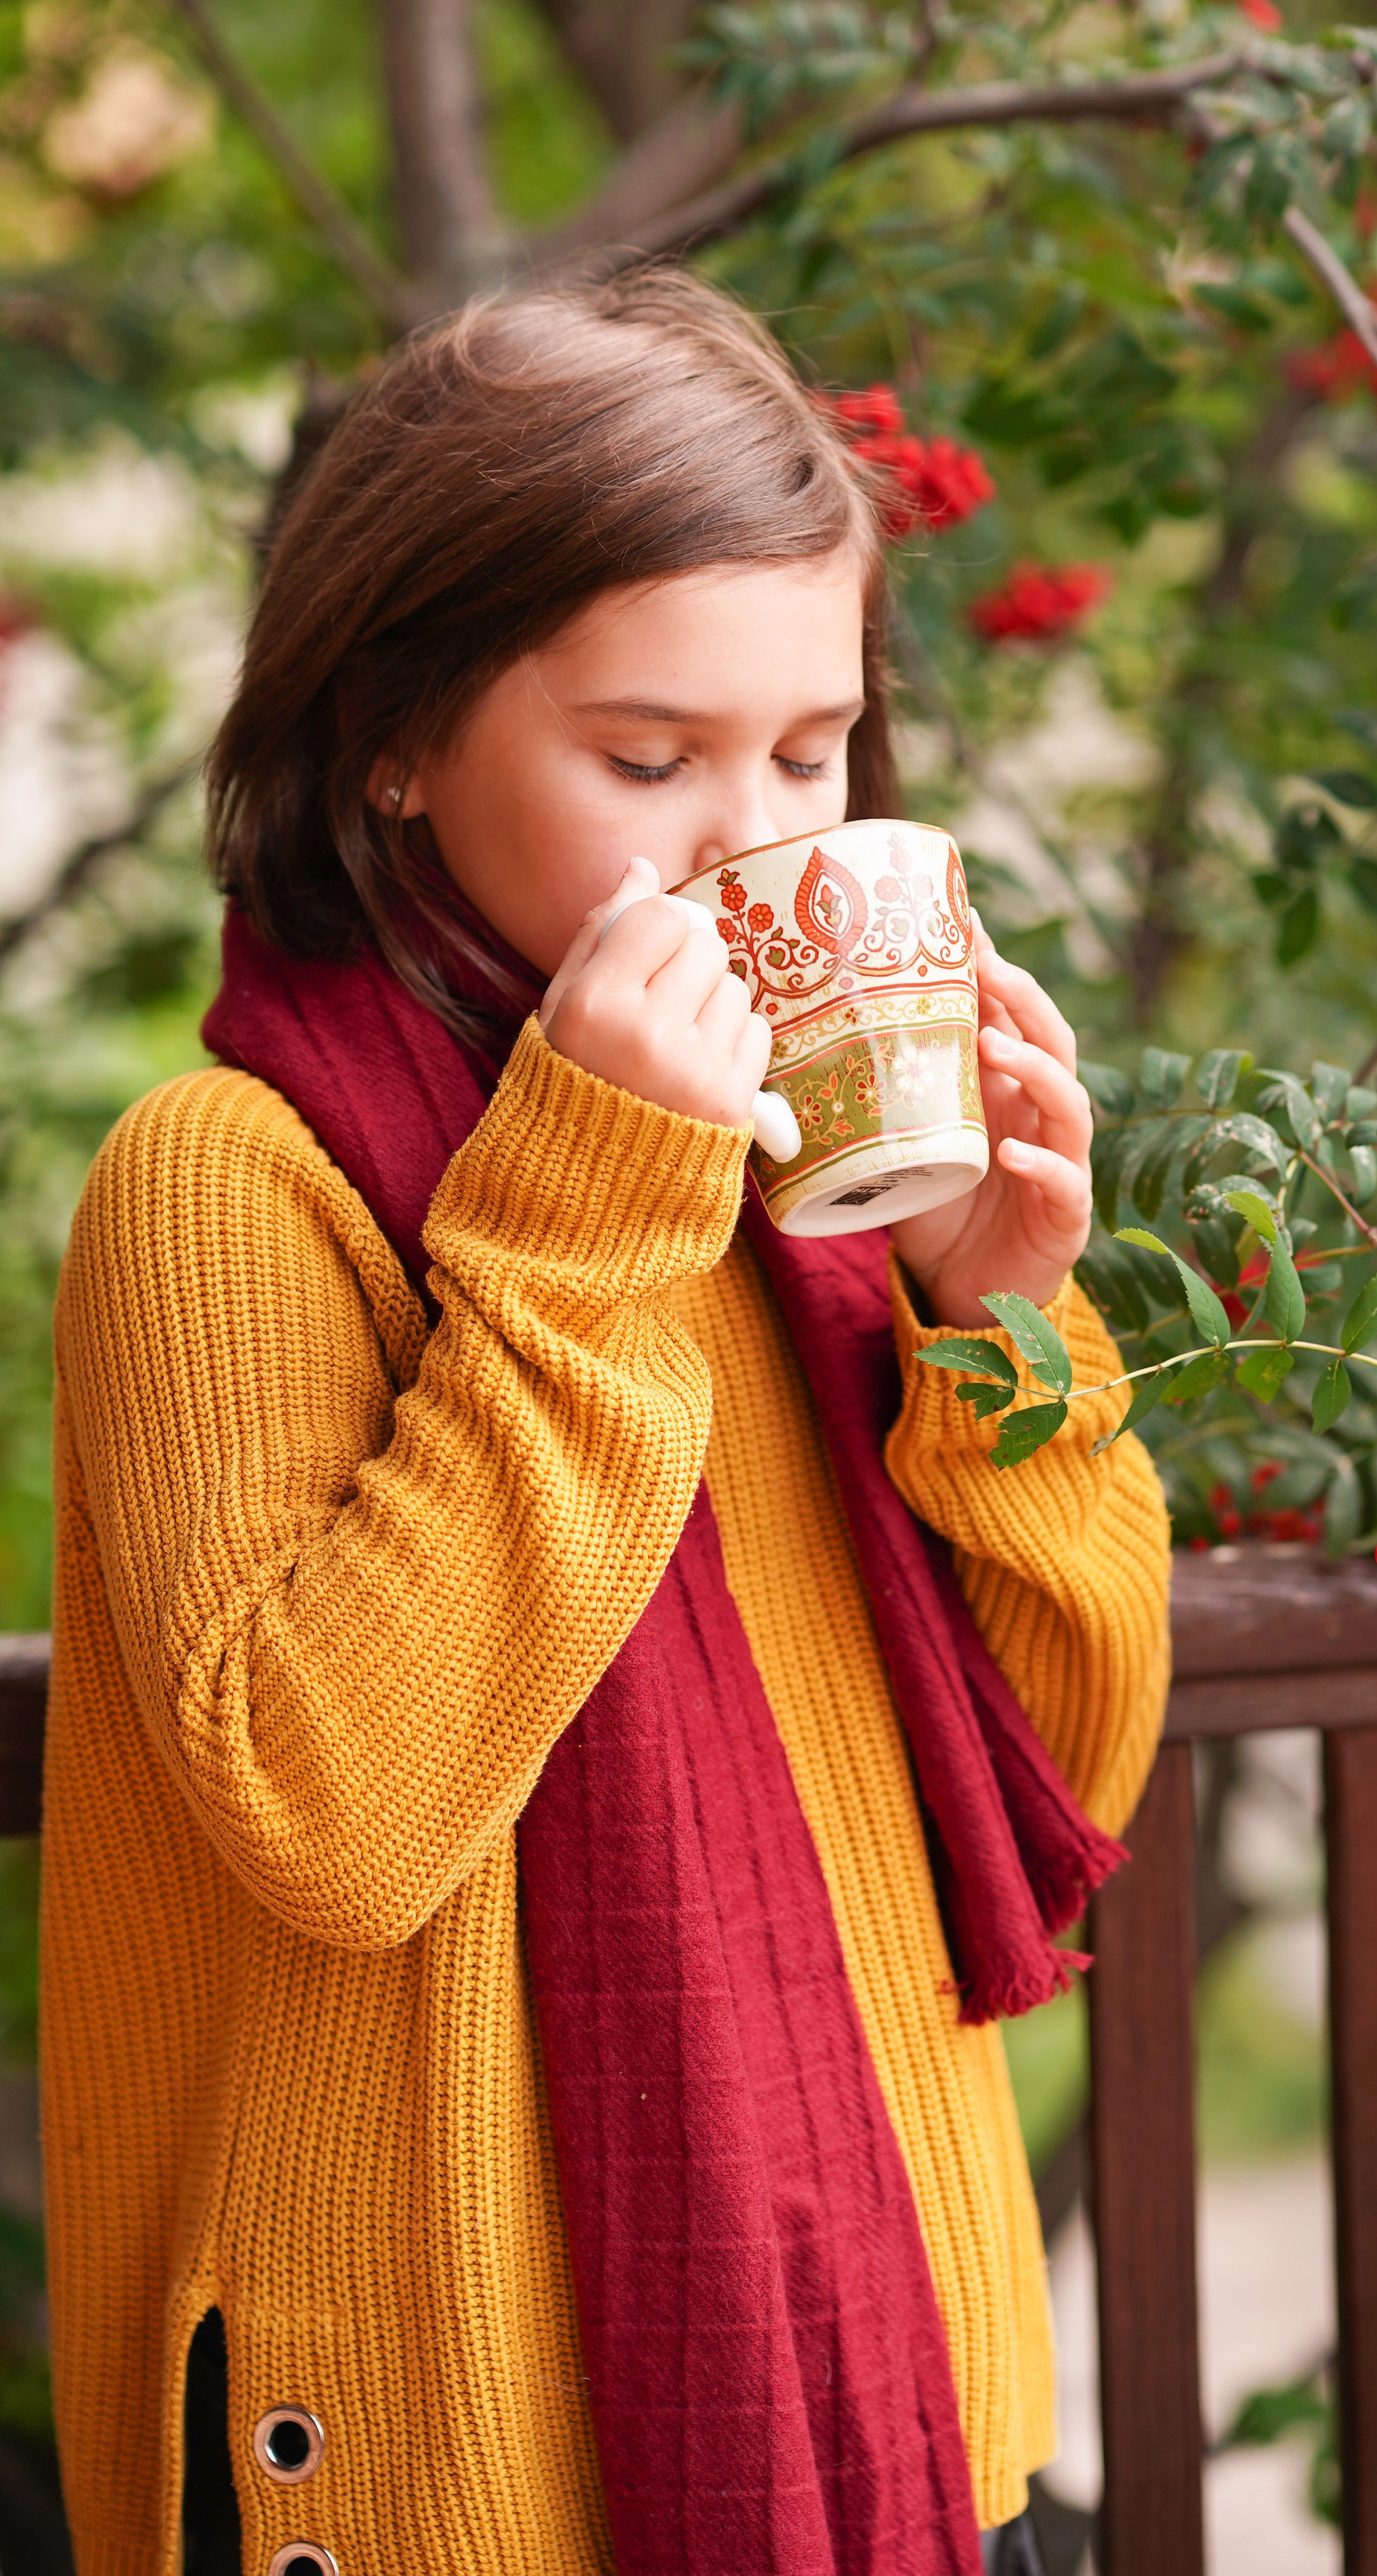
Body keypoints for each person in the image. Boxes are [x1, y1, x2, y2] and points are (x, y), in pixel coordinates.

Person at [41, 269, 1171, 2575]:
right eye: (647, 760)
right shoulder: (227, 1185)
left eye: (808, 751)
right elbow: (335, 1811)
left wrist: (1003, 1336)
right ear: (391, 736)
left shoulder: (802, 1185)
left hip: (915, 2438)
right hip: (448, 2479)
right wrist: (579, 1219)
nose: (739, 842)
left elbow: (1061, 1771)